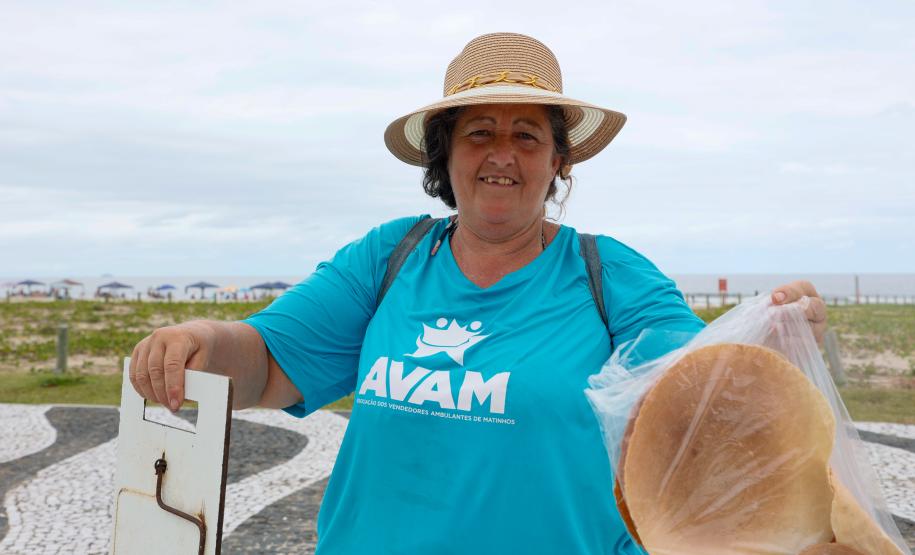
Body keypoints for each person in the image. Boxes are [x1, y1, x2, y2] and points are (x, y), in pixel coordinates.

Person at [129, 33, 828, 554]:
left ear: (558, 159)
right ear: (445, 154)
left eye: (526, 135)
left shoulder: (608, 273)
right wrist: (201, 341)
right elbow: (268, 363)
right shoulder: (390, 256)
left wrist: (773, 337)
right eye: (478, 132)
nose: (502, 153)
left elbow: (701, 393)